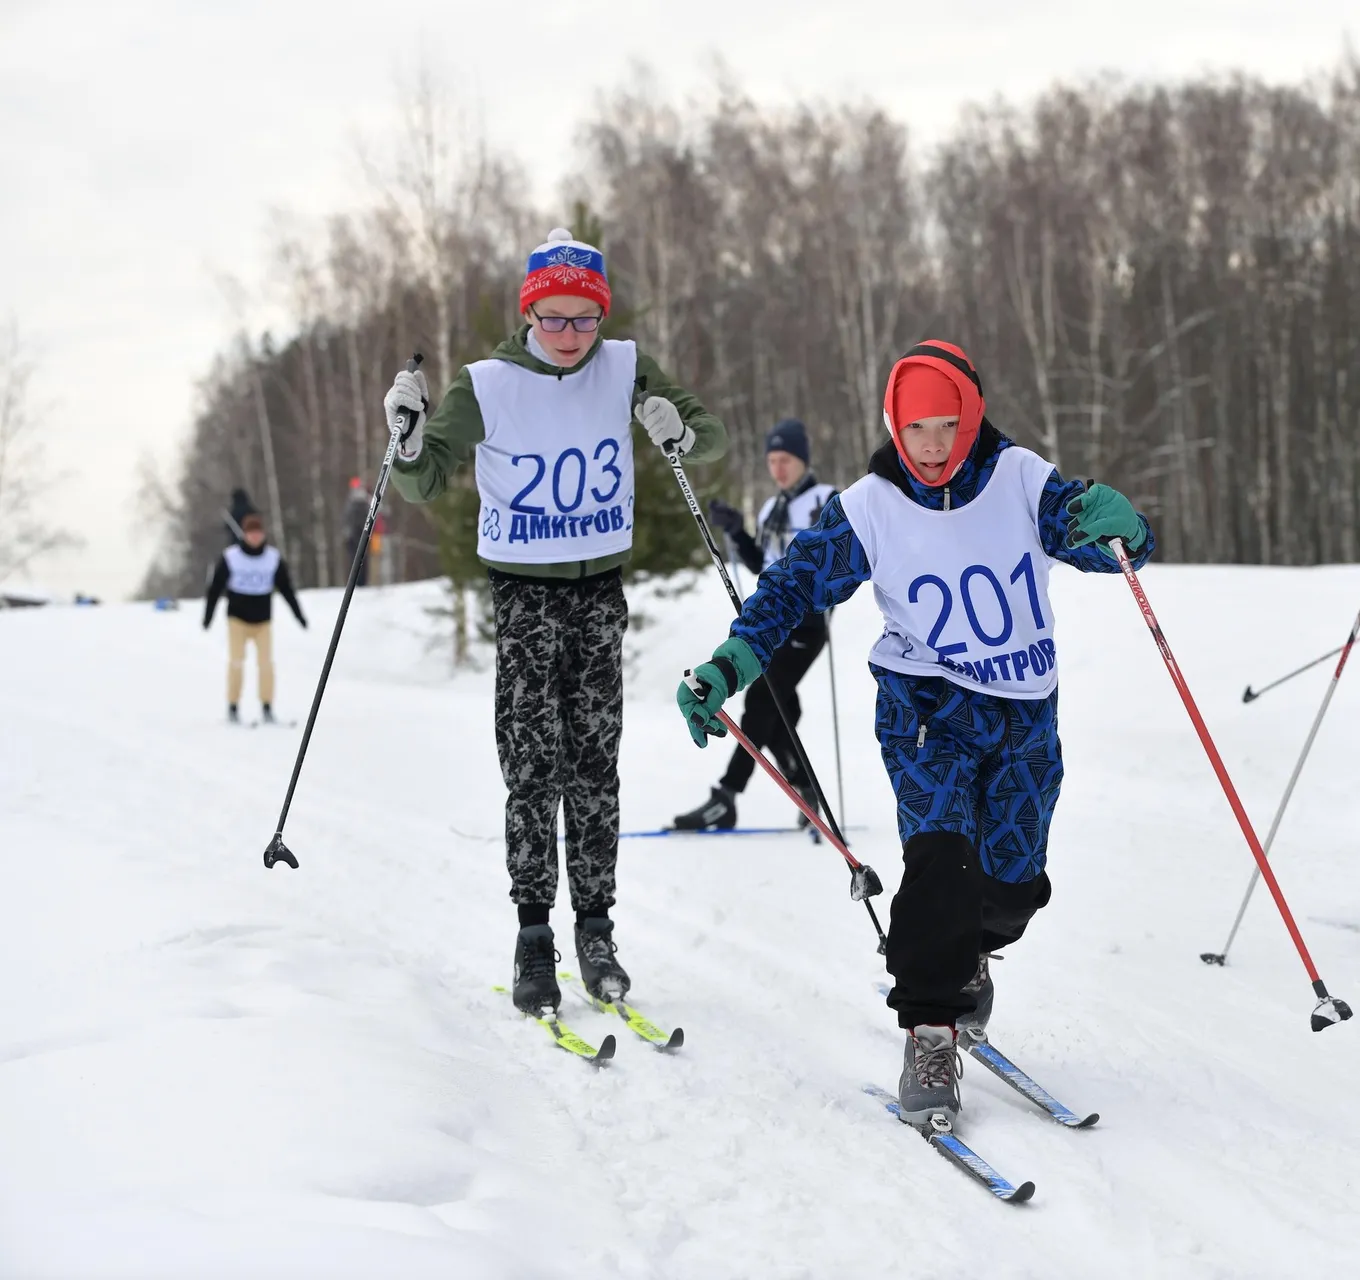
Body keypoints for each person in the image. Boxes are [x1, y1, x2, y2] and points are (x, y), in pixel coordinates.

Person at [674, 340, 1155, 1128]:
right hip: (925, 705)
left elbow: (1091, 537)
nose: (931, 445)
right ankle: (929, 1032)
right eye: (915, 428)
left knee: (1011, 887)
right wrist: (728, 666)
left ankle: (969, 958)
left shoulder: (1019, 478)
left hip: (1024, 709)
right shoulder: (868, 506)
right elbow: (792, 585)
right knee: (939, 859)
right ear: (894, 426)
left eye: (946, 424)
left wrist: (1124, 531)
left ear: (971, 418)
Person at [381, 227, 728, 1016]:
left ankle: (596, 927)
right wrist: (403, 441)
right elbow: (426, 478)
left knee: (595, 766)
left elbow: (708, 435)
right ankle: (534, 932)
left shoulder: (624, 366)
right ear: (530, 311)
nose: (570, 337)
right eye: (554, 320)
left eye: (585, 321)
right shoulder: (489, 384)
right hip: (527, 599)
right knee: (533, 767)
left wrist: (677, 429)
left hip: (599, 592)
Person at [671, 418, 836, 831]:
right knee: (779, 711)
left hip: (808, 624)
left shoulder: (823, 499)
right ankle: (804, 788)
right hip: (773, 621)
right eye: (772, 460)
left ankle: (727, 794)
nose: (778, 469)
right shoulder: (771, 508)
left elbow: (832, 563)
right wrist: (738, 533)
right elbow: (766, 565)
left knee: (763, 701)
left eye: (786, 460)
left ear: (803, 460)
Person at [202, 512, 307, 723]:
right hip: (237, 619)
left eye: (258, 533)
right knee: (237, 662)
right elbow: (215, 589)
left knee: (266, 664)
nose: (255, 537)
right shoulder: (231, 557)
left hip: (262, 621)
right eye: (251, 533)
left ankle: (267, 706)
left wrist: (299, 616)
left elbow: (286, 589)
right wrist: (208, 616)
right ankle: (233, 706)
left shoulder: (272, 558)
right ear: (245, 535)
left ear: (263, 534)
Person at [341, 477, 372, 586]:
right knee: (357, 559)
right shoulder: (360, 502)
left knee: (360, 559)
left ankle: (360, 582)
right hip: (355, 535)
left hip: (359, 534)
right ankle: (358, 582)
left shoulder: (362, 502)